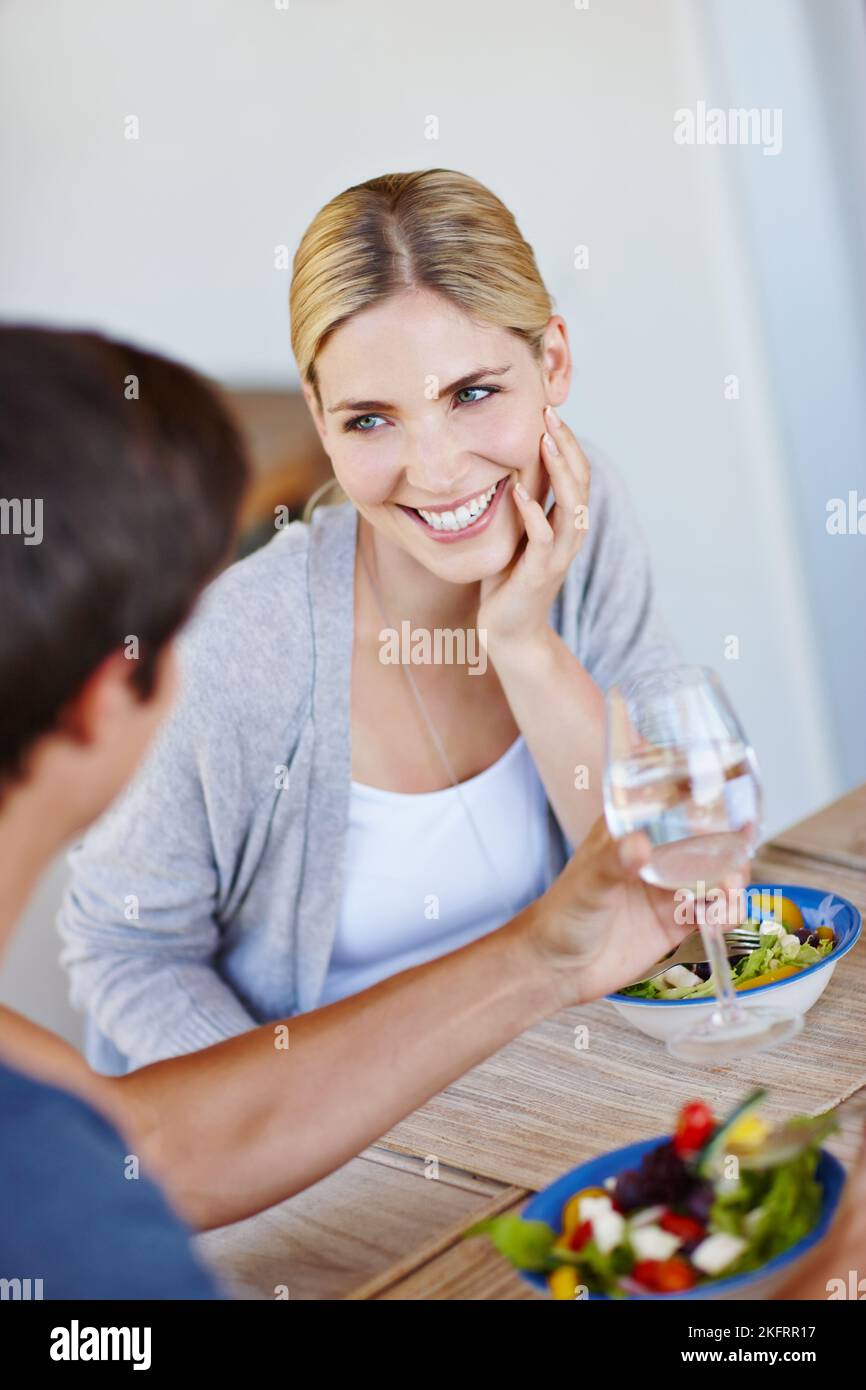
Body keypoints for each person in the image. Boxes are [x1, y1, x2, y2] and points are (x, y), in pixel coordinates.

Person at [0, 325, 696, 1298]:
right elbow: (136, 1105)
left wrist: (545, 953)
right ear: (110, 697)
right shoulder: (69, 1227)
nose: (436, 462)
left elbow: (158, 1139)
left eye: (470, 395)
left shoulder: (45, 1132)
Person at [57, 169, 678, 1075]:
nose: (434, 470)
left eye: (472, 394)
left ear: (553, 362)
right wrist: (302, 1135)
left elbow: (661, 878)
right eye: (371, 419)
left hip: (549, 1106)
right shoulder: (236, 648)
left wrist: (524, 644)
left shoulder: (580, 524)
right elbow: (125, 951)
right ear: (320, 416)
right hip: (318, 1166)